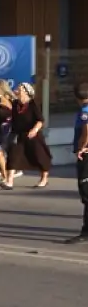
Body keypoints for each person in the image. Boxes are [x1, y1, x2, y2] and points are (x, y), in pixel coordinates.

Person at [5, 83, 51, 189]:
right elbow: (13, 117)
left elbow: (40, 120)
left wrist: (34, 130)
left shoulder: (32, 104)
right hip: (18, 134)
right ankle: (9, 181)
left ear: (26, 91)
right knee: (13, 156)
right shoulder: (15, 103)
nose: (17, 90)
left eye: (20, 89)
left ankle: (44, 178)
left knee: (40, 156)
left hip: (32, 134)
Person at [68, 83, 88, 245]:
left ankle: (86, 231)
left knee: (86, 193)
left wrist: (81, 148)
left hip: (86, 157)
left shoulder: (85, 110)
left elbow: (86, 130)